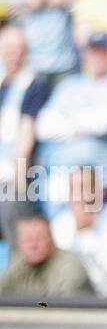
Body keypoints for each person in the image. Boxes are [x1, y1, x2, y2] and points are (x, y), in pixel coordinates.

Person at [33, 32, 107, 207]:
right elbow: (43, 127)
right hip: (65, 180)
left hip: (106, 180)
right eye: (93, 51)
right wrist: (87, 120)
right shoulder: (69, 85)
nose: (97, 57)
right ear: (84, 54)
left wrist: (68, 119)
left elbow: (105, 124)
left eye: (103, 51)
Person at [49, 165, 107, 298]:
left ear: (100, 191)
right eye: (73, 190)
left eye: (84, 189)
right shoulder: (59, 225)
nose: (79, 197)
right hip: (67, 304)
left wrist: (86, 233)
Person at [0, 24, 49, 243]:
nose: (14, 56)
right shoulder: (3, 85)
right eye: (9, 50)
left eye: (19, 50)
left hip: (15, 174)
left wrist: (18, 188)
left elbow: (25, 140)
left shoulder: (33, 85)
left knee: (12, 205)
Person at [0, 211, 93, 297]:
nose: (33, 245)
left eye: (39, 239)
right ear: (18, 243)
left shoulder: (70, 265)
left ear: (51, 239)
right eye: (27, 240)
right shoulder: (18, 262)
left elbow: (67, 309)